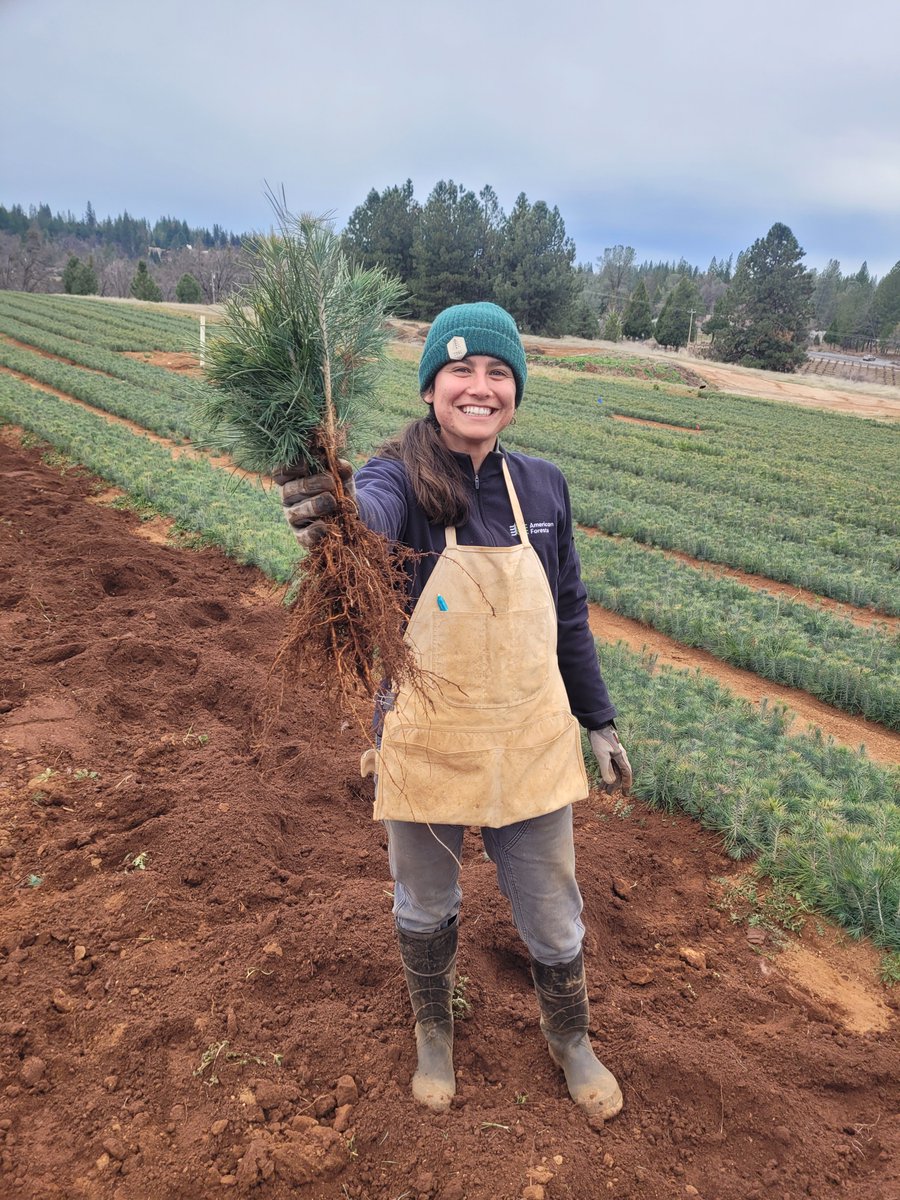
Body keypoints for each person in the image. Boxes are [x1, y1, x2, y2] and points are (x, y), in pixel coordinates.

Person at [276, 302, 633, 1119]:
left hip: (530, 737)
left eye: (497, 373)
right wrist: (333, 517)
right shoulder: (397, 478)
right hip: (428, 737)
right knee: (424, 903)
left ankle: (570, 1037)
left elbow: (568, 611)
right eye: (460, 371)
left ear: (516, 390)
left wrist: (599, 720)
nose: (479, 387)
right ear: (432, 385)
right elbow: (367, 518)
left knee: (553, 911)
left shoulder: (542, 486)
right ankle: (433, 1030)